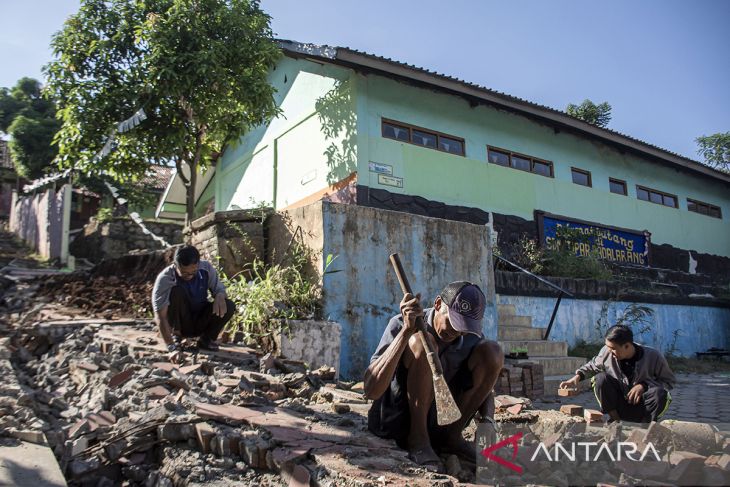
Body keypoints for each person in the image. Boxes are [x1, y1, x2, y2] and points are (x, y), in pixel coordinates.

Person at [363, 281, 504, 472]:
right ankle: (418, 439)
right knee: (423, 342)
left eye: (464, 327)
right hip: (395, 422)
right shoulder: (399, 324)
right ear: (438, 304)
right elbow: (371, 390)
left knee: (492, 351)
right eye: (453, 323)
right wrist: (406, 331)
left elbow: (485, 387)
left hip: (439, 426)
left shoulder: (469, 338)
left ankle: (451, 438)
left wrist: (488, 420)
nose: (457, 332)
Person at [560, 324, 675, 423]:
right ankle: (616, 421)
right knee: (600, 379)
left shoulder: (654, 356)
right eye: (607, 347)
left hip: (642, 407)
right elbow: (592, 366)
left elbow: (668, 382)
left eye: (613, 348)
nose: (609, 351)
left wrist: (644, 385)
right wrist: (577, 377)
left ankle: (645, 426)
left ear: (627, 346)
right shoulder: (607, 352)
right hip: (619, 405)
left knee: (661, 394)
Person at [152, 245, 235, 362]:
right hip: (180, 322)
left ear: (198, 264)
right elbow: (161, 316)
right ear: (175, 266)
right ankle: (177, 337)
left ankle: (206, 339)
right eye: (185, 273)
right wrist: (171, 347)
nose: (190, 276)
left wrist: (220, 296)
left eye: (194, 272)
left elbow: (219, 289)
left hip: (200, 319)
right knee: (176, 291)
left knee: (229, 305)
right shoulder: (165, 278)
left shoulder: (206, 268)